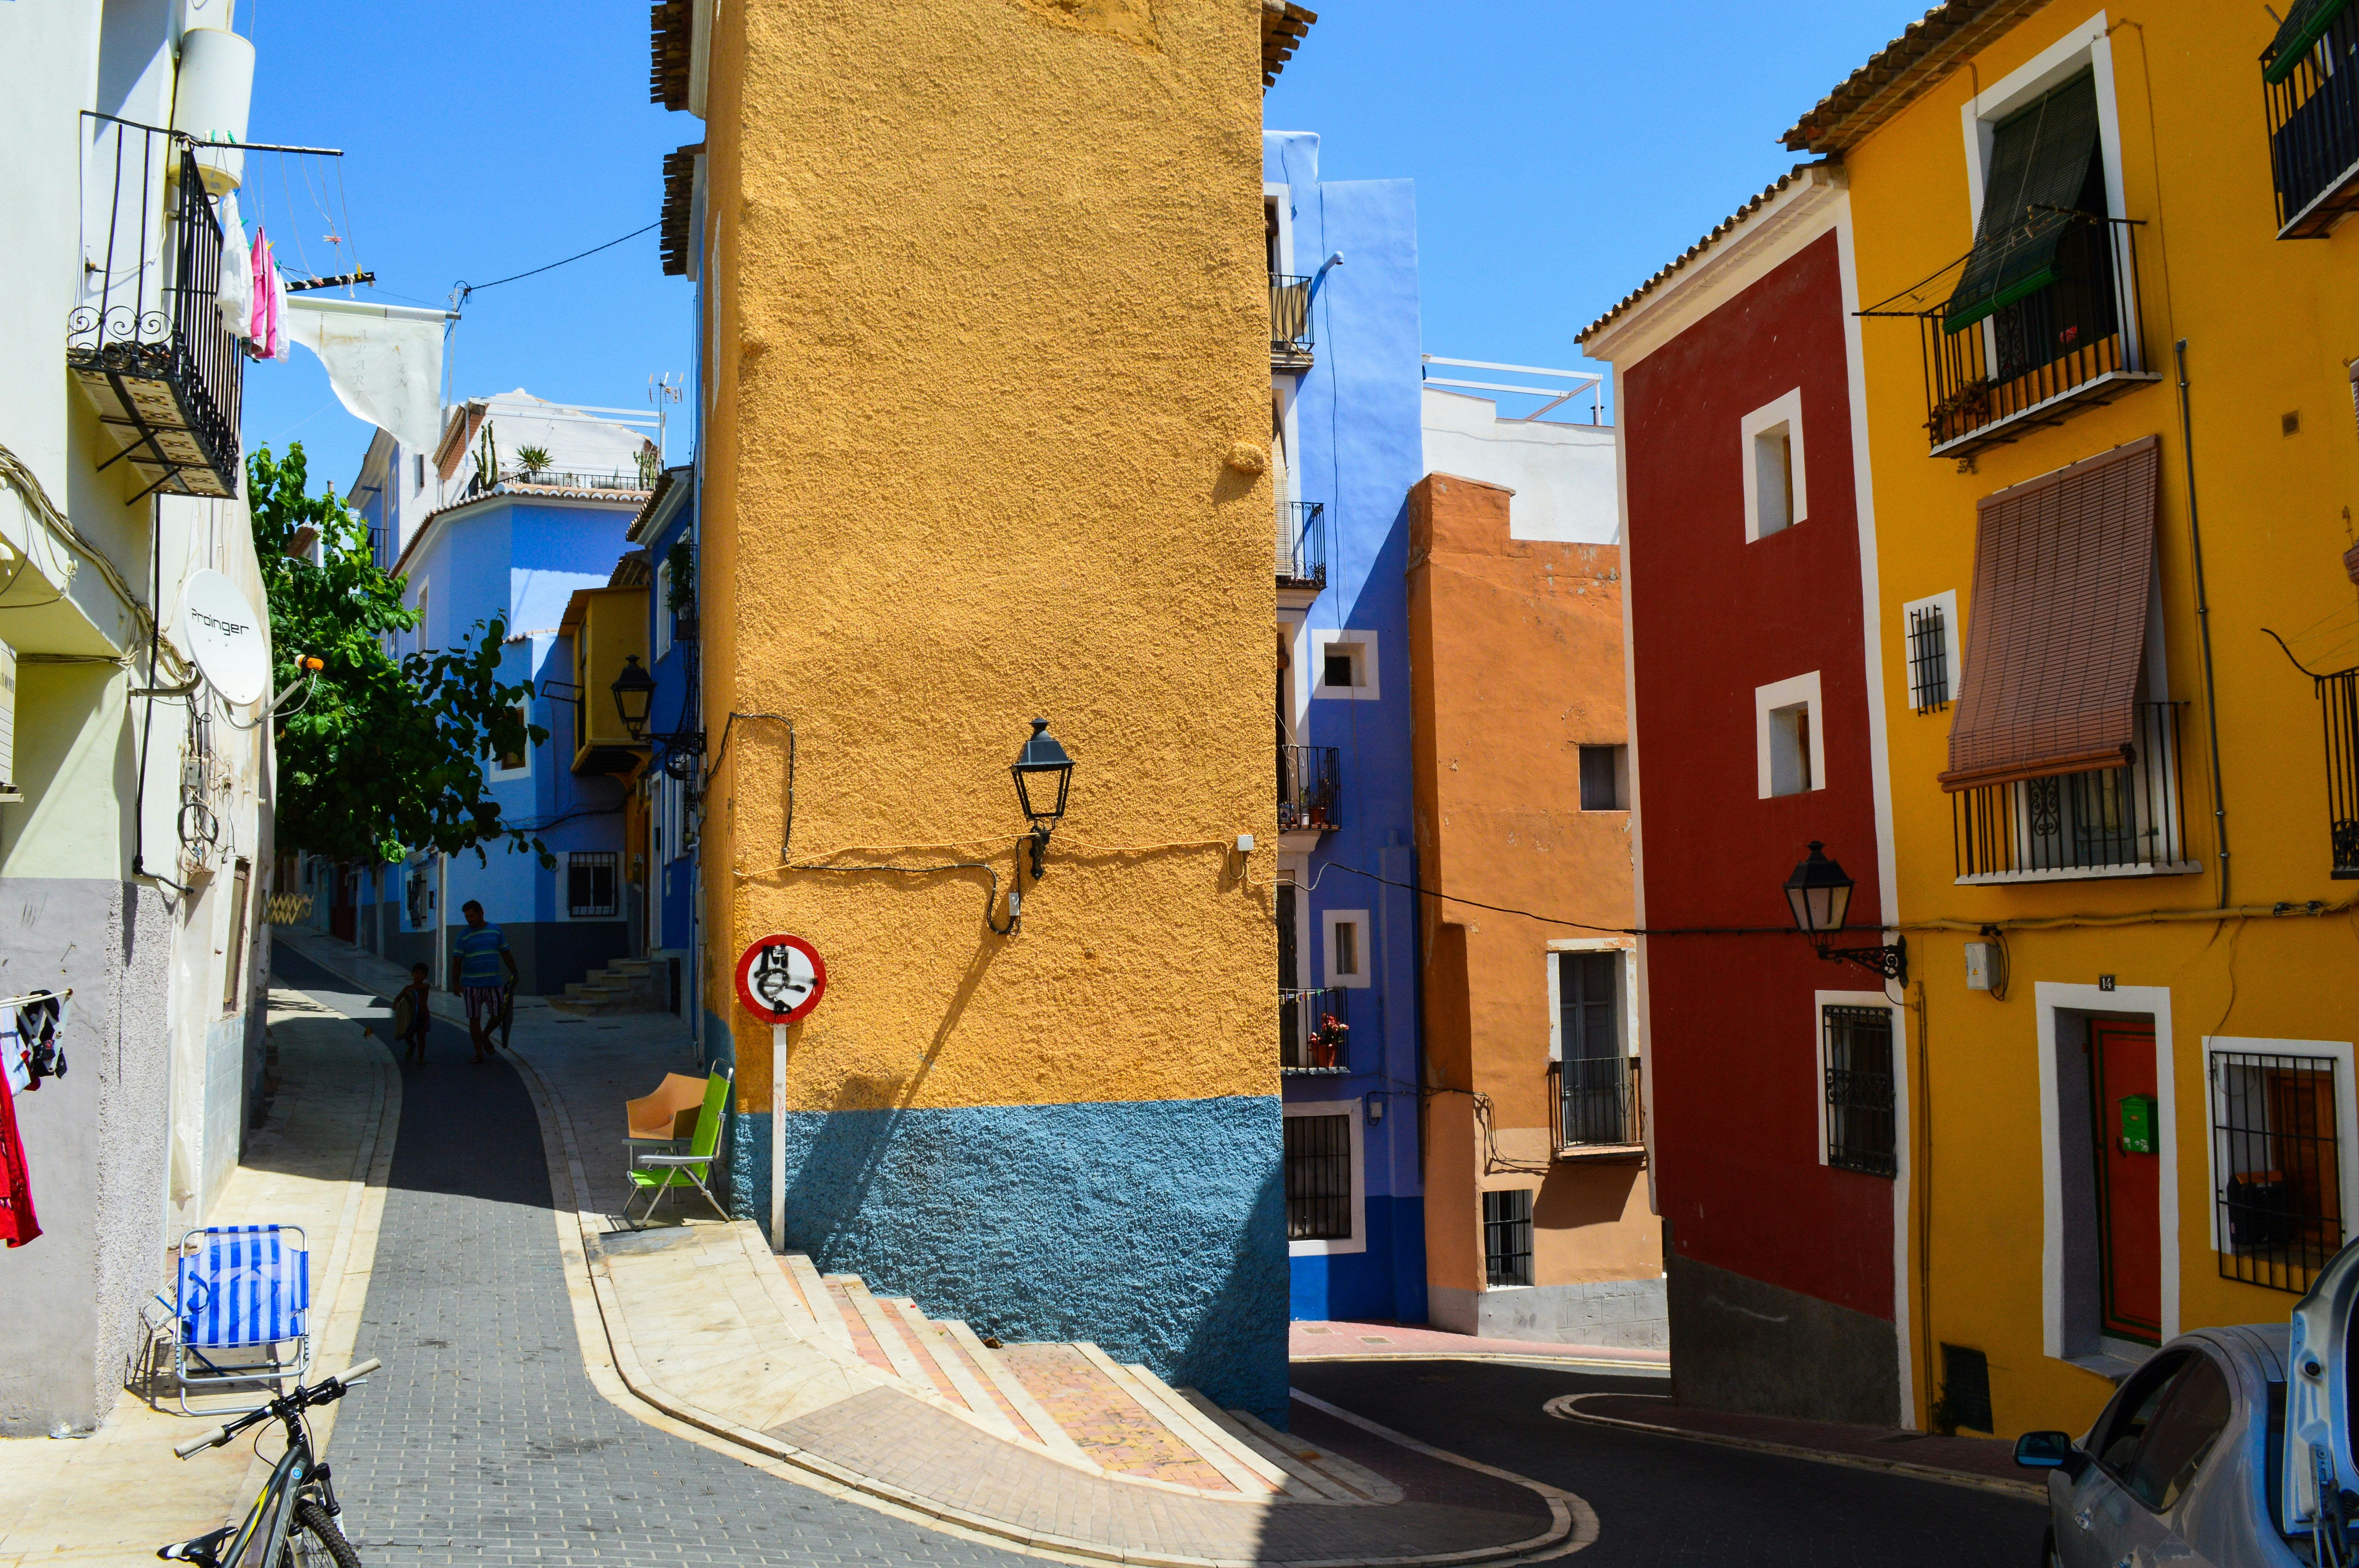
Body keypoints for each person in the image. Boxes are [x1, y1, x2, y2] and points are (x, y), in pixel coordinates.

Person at [450, 900, 518, 1064]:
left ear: (481, 913)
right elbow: (457, 960)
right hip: (472, 985)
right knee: (474, 1019)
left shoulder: (496, 931)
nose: (469, 920)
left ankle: (484, 1036)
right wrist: (455, 983)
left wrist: (515, 973)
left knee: (498, 1014)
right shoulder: (463, 936)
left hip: (494, 983)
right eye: (467, 917)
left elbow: (506, 953)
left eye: (472, 916)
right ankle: (479, 1052)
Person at [392, 962, 434, 1063]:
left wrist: (412, 989)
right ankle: (412, 1046)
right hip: (412, 1017)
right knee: (409, 1037)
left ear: (426, 976)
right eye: (417, 973)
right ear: (412, 974)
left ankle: (421, 1057)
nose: (419, 976)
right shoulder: (407, 988)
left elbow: (422, 987)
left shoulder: (426, 986)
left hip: (423, 1015)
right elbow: (399, 997)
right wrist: (396, 1004)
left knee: (422, 1036)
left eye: (422, 974)